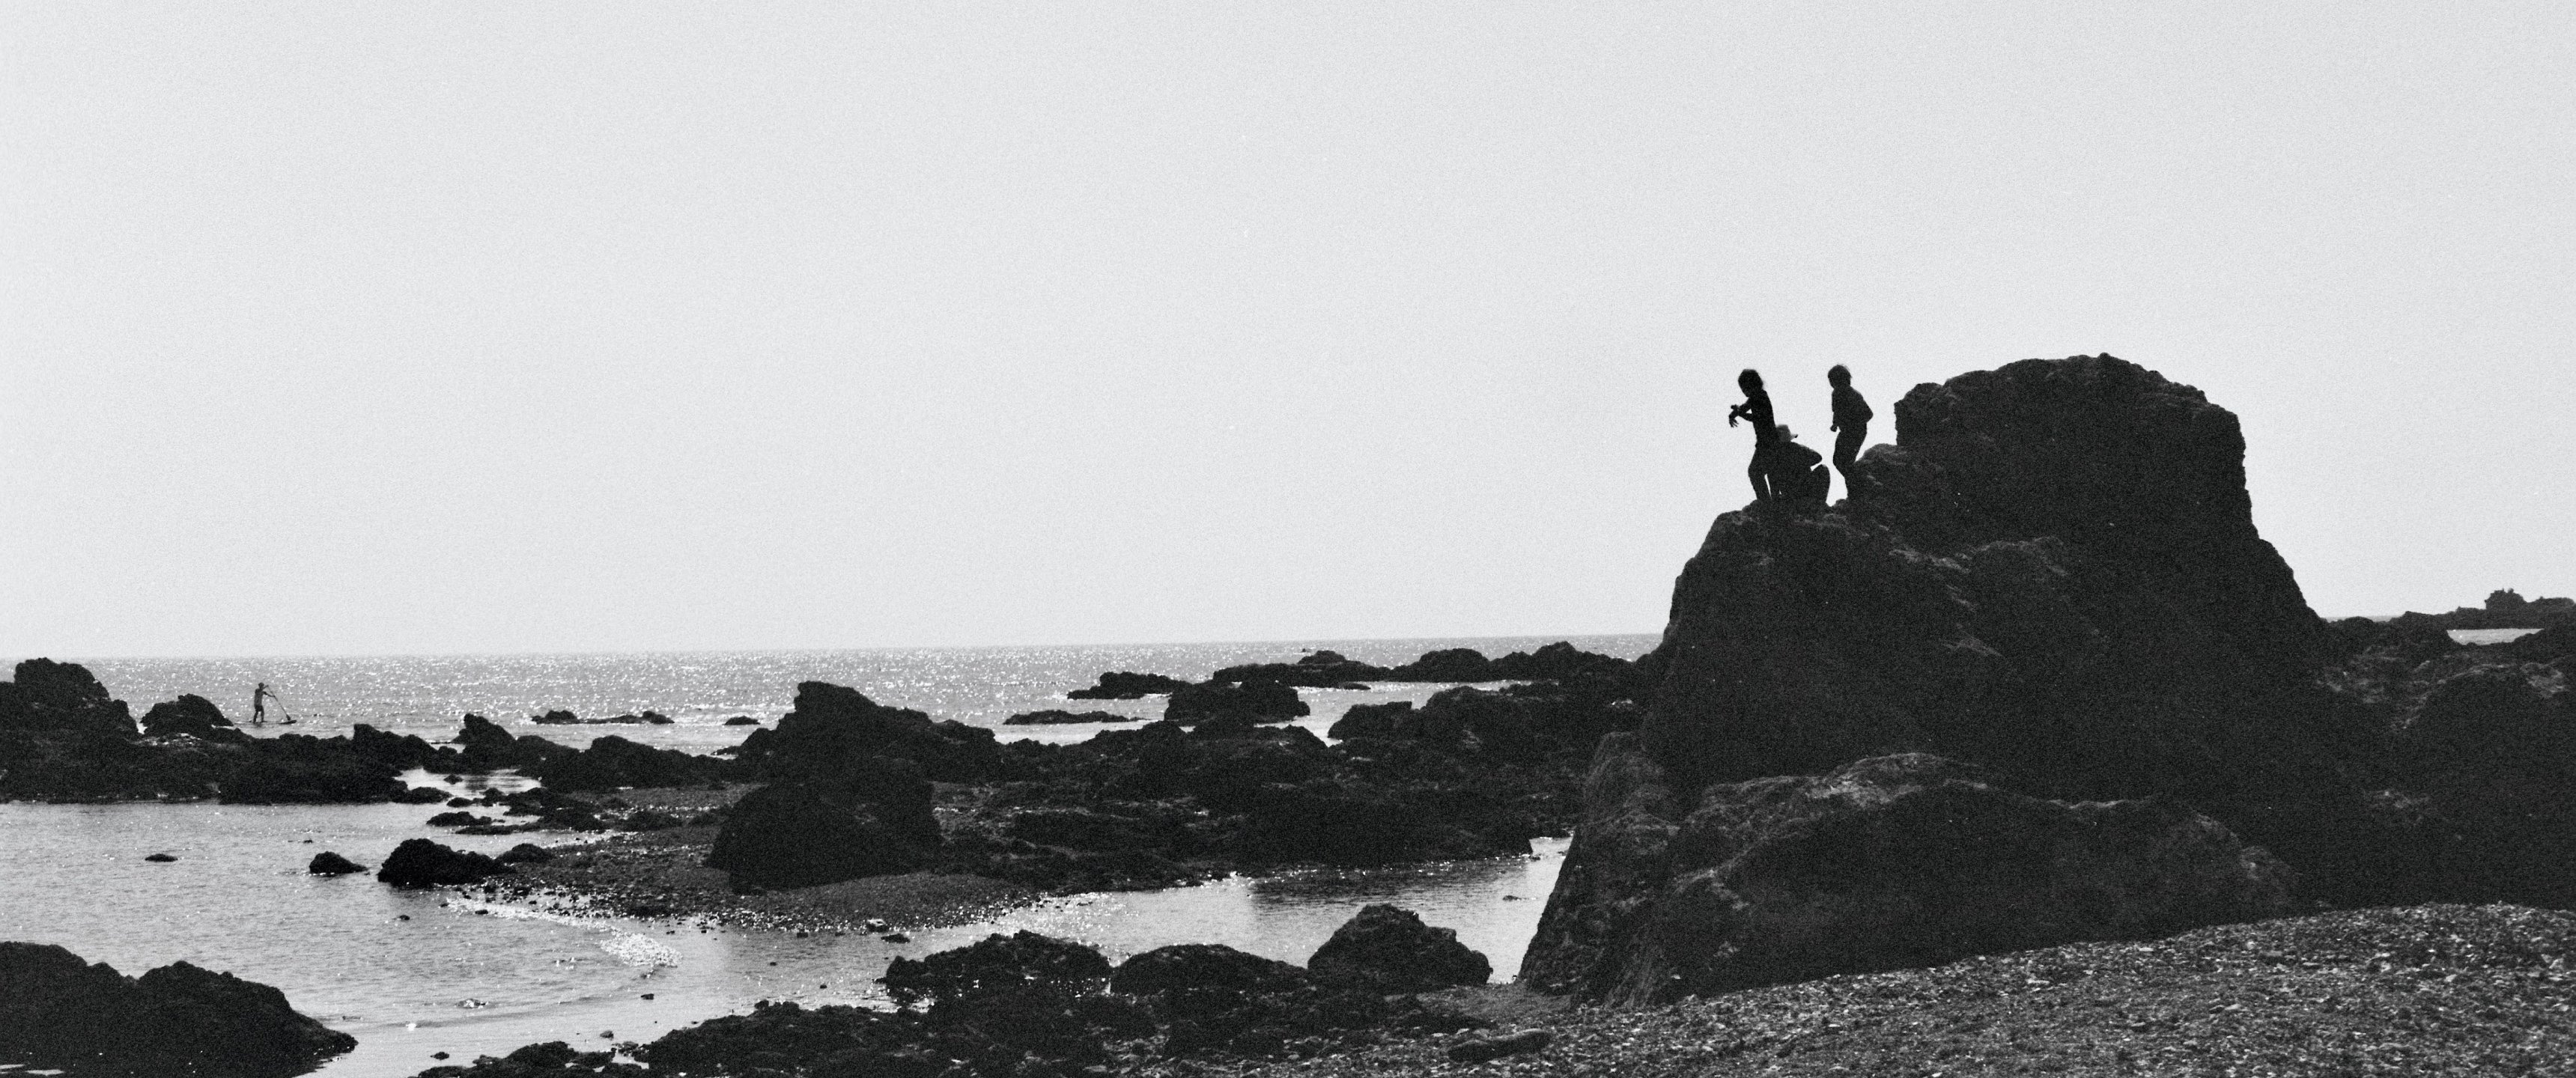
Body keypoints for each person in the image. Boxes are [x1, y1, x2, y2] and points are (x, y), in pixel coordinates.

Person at [1725, 368, 1778, 502]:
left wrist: (1739, 413)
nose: (1743, 392)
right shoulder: (1754, 398)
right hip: (1766, 442)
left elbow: (1757, 418)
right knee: (1767, 473)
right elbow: (1744, 408)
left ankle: (1767, 503)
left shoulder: (1761, 397)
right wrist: (1734, 414)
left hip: (1768, 442)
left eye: (1744, 388)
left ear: (1751, 385)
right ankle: (1770, 503)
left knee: (1756, 472)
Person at [1826, 364, 1872, 499]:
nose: (1831, 384)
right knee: (1840, 461)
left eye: (1832, 380)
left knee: (1843, 462)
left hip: (1855, 432)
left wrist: (1853, 423)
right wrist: (1835, 424)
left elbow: (1868, 414)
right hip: (1847, 432)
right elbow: (1837, 412)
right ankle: (1855, 489)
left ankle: (1859, 487)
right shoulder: (1836, 394)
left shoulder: (1853, 395)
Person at [1768, 425, 1831, 507]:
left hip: (1789, 496)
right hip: (1804, 490)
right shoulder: (1797, 449)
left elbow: (1773, 485)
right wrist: (1801, 462)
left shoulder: (1772, 457)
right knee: (1823, 469)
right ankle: (1819, 504)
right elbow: (1818, 457)